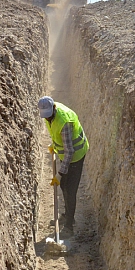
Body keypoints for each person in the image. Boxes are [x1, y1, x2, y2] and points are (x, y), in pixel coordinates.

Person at [37, 96, 89, 236]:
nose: (47, 119)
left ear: (54, 108)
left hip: (76, 154)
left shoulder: (64, 121)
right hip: (65, 153)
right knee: (64, 186)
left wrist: (59, 174)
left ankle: (69, 226)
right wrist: (54, 145)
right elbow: (56, 133)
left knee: (70, 190)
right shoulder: (50, 115)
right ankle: (67, 215)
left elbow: (70, 151)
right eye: (45, 117)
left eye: (49, 116)